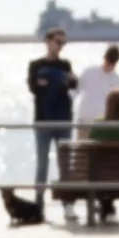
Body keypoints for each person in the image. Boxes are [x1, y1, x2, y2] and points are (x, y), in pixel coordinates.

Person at [27, 26, 79, 220]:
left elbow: (72, 87)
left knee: (65, 164)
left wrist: (72, 81)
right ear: (48, 42)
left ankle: (68, 204)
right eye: (58, 42)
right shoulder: (36, 65)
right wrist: (43, 84)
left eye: (63, 43)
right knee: (42, 164)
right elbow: (33, 87)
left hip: (63, 118)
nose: (60, 46)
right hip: (43, 120)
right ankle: (39, 204)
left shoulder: (65, 65)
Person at [87, 88, 119, 224]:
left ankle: (107, 209)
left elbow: (91, 138)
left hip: (101, 174)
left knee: (96, 169)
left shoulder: (98, 123)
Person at [75, 44, 119, 135]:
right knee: (82, 148)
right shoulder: (89, 72)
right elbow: (75, 91)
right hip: (85, 122)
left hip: (103, 126)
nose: (109, 64)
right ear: (104, 58)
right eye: (108, 60)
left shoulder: (118, 81)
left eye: (113, 62)